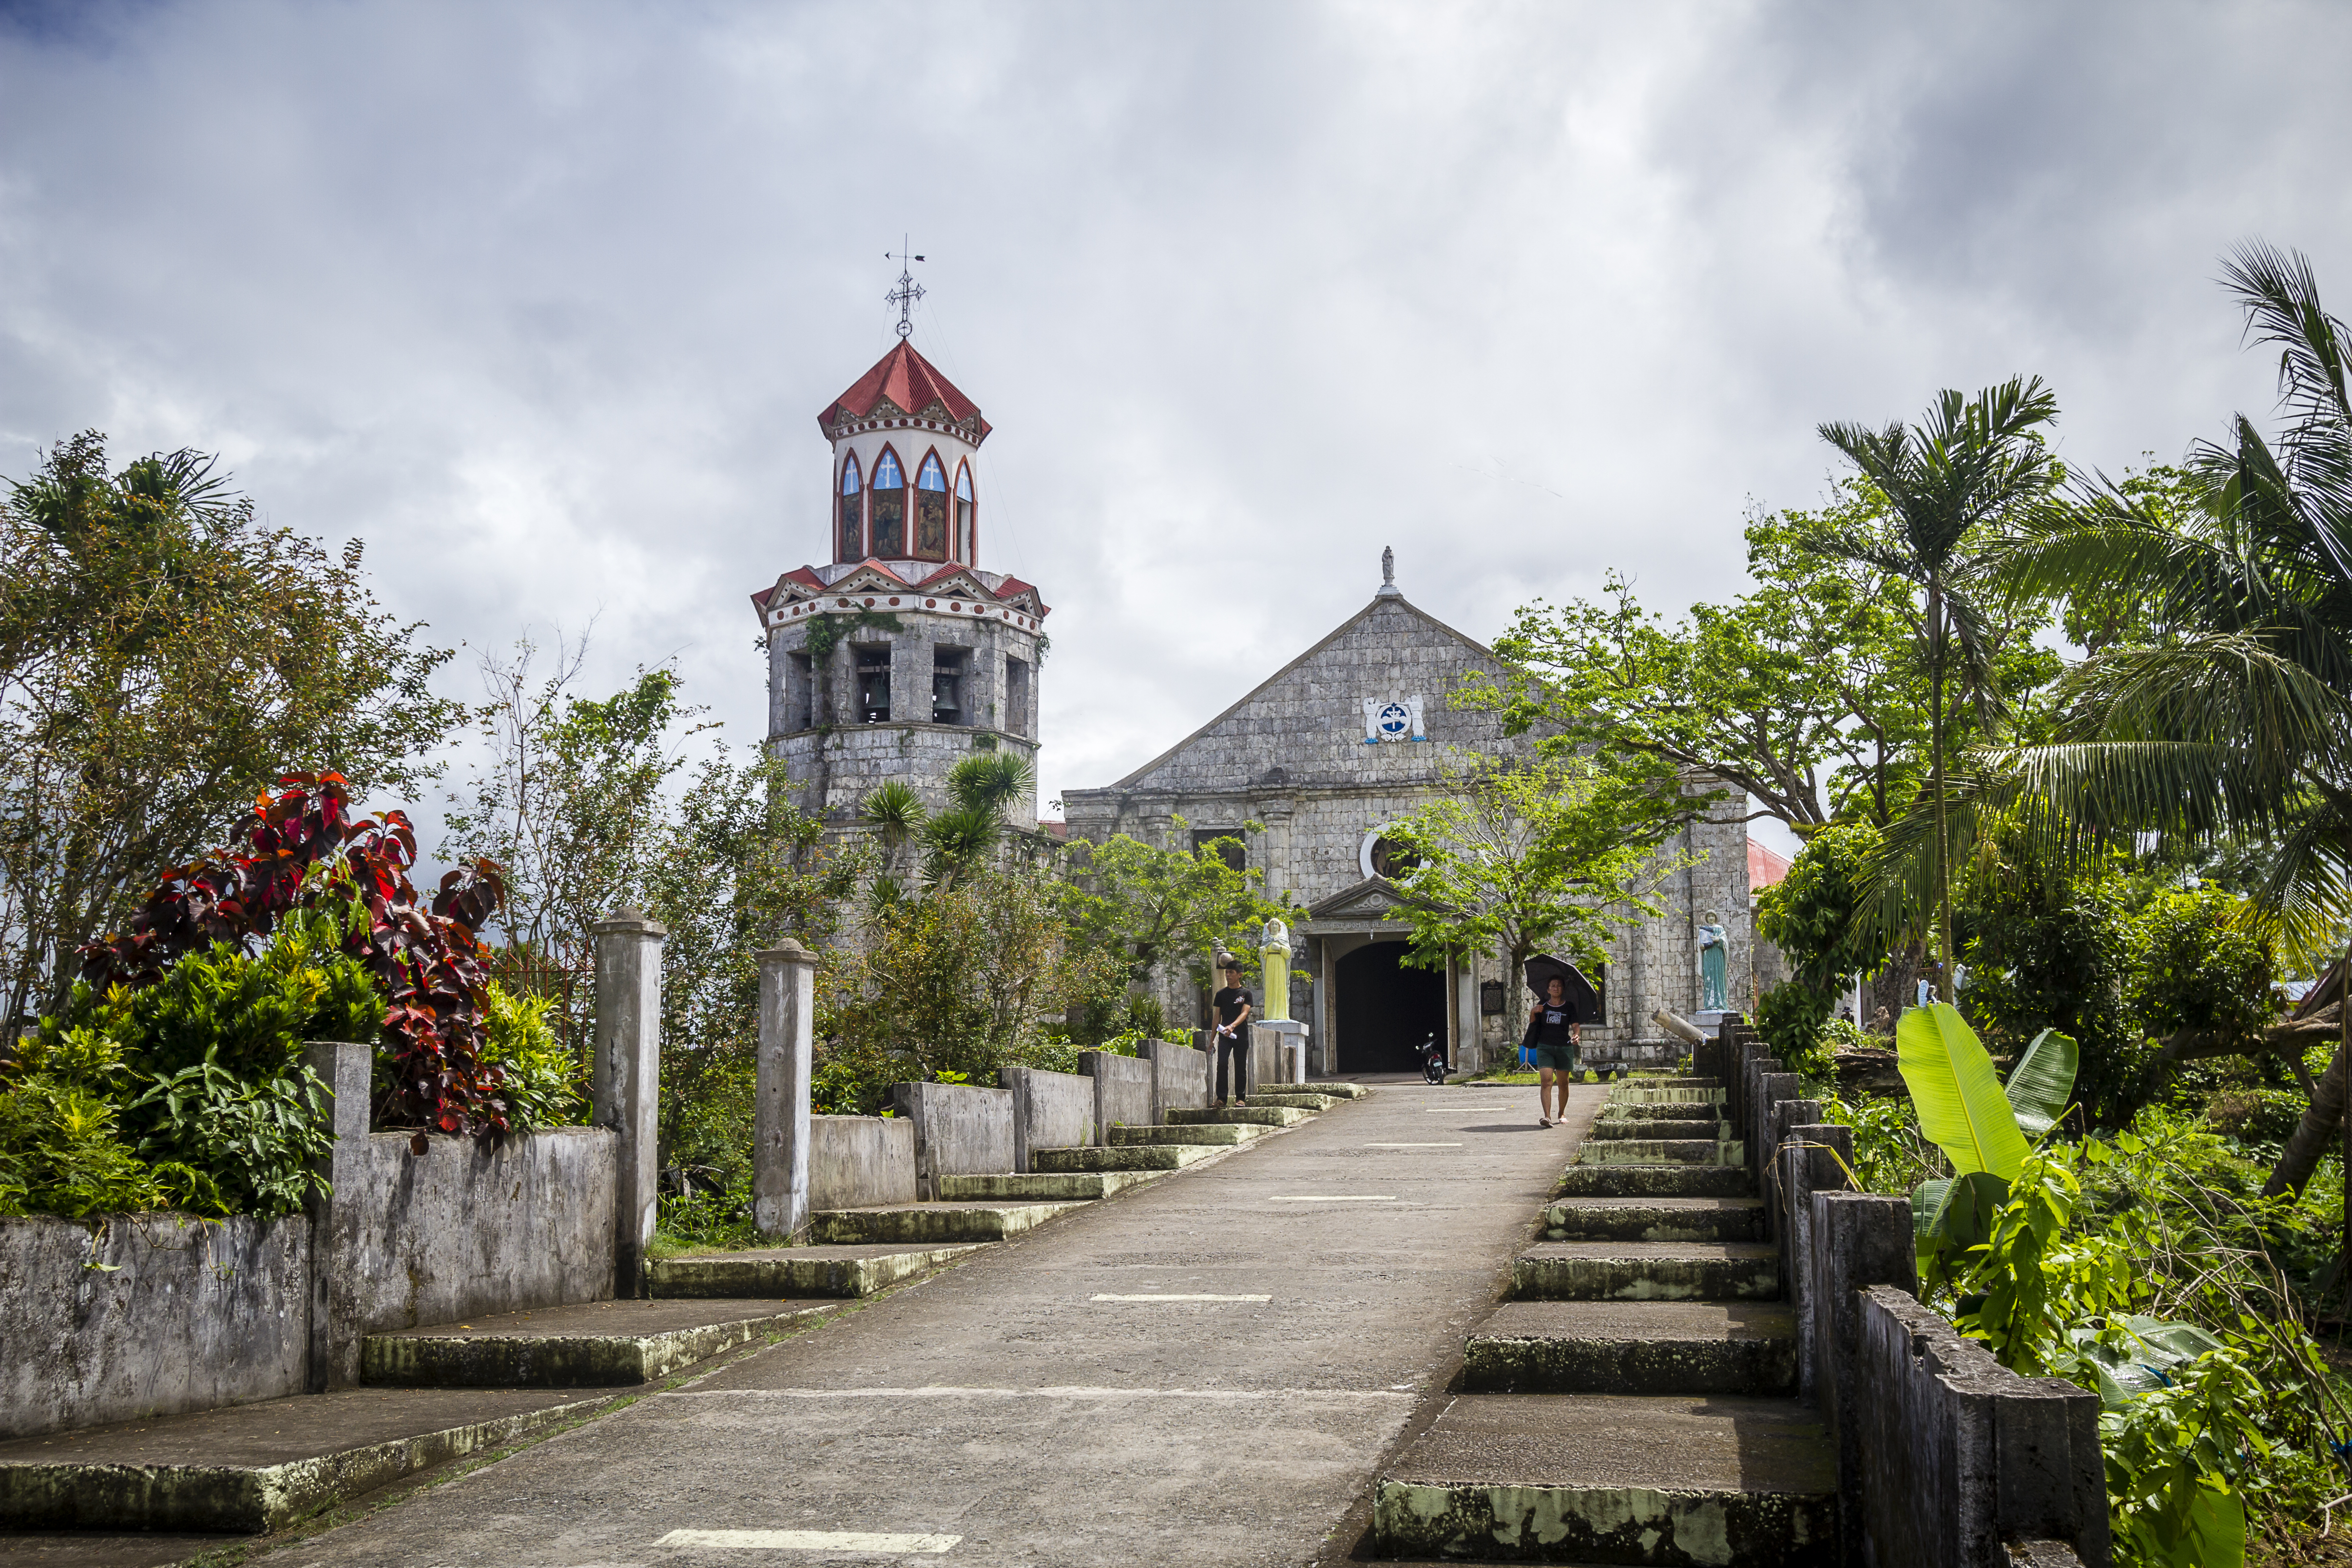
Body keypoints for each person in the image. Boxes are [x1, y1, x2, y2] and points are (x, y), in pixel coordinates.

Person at [1521, 974, 1581, 1128]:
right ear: (1548, 989)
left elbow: (1575, 1024)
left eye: (1559, 986)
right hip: (1545, 1047)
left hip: (1564, 1047)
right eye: (1553, 986)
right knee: (1546, 1081)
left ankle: (1561, 1113)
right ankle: (1547, 1116)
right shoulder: (1543, 1006)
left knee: (1563, 1083)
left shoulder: (1569, 1006)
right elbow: (1533, 1025)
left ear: (1563, 989)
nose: (1556, 988)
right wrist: (1533, 1012)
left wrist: (1576, 1035)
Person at [1210, 959, 1253, 1107]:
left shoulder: (1246, 993)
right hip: (1225, 1036)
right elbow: (1217, 1017)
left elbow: (1245, 1013)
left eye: (1231, 972)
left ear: (1239, 975)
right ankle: (1221, 1099)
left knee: (1240, 1066)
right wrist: (1212, 1040)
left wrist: (1232, 1026)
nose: (1228, 975)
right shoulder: (1221, 994)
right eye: (1227, 972)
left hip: (1241, 1036)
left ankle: (1241, 1098)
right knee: (1222, 1064)